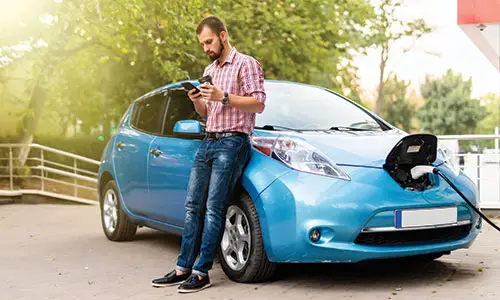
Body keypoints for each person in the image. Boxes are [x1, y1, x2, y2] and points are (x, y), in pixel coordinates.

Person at [151, 16, 266, 293]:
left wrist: (223, 96)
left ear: (223, 36)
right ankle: (182, 268)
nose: (206, 48)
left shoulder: (246, 64)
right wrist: (198, 102)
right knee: (193, 206)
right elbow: (208, 112)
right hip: (208, 141)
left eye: (209, 41)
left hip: (233, 143)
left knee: (214, 208)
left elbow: (258, 103)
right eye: (202, 43)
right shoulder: (209, 69)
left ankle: (202, 272)